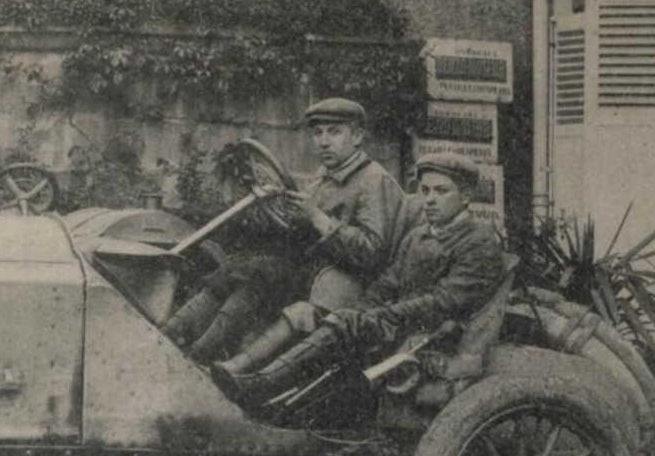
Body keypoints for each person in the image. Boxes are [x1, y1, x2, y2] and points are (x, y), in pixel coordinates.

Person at [212, 152, 505, 407]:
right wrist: (362, 310)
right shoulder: (418, 235)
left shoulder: (478, 241)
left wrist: (377, 316)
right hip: (397, 323)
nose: (429, 199)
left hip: (430, 337)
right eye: (425, 191)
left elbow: (444, 302)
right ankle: (238, 369)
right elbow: (387, 283)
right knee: (308, 313)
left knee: (345, 323)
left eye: (441, 191)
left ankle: (262, 386)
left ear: (466, 196)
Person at [159, 98, 409, 364]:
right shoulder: (323, 175)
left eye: (334, 132)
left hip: (340, 285)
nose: (323, 142)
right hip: (308, 272)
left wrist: (317, 218)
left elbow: (373, 253)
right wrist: (273, 215)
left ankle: (199, 355)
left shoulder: (374, 180)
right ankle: (171, 336)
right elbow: (298, 232)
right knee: (237, 265)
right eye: (317, 132)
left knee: (260, 272)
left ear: (357, 136)